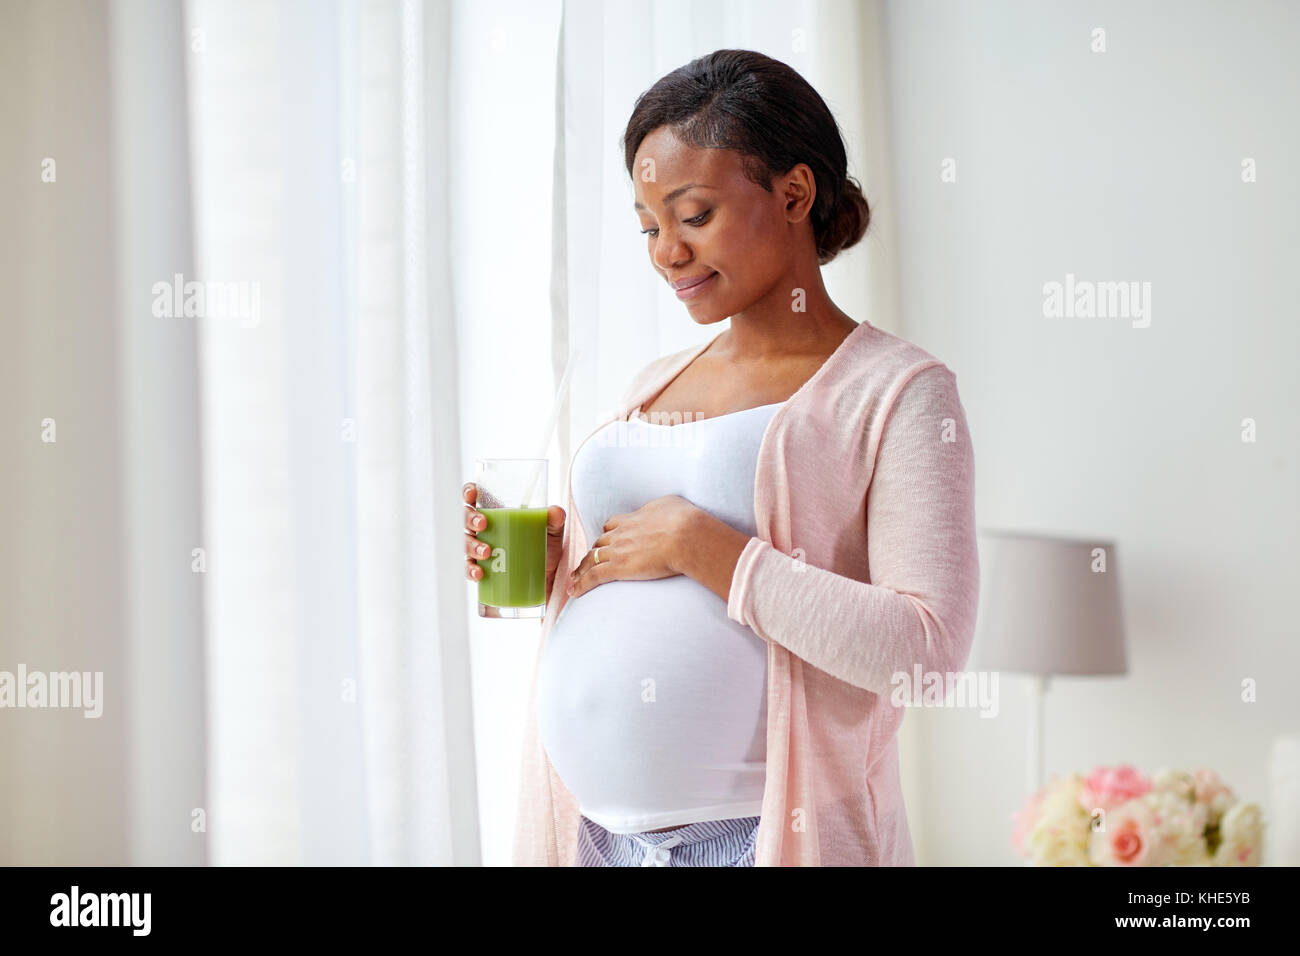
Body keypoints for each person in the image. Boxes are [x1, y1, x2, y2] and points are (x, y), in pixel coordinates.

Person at [464, 49, 979, 866]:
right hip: (597, 837)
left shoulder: (897, 391)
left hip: (760, 840)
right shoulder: (650, 385)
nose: (665, 251)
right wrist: (562, 568)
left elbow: (928, 654)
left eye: (692, 215)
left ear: (795, 194)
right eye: (647, 226)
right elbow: (633, 585)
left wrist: (706, 549)